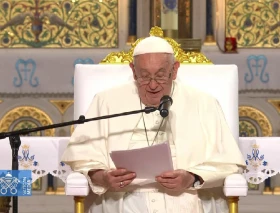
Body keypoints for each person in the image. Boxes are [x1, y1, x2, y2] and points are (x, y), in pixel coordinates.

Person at [61, 36, 246, 213]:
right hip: (121, 200)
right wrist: (103, 177)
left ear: (174, 70)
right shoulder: (106, 101)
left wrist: (191, 178)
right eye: (144, 76)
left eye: (160, 76)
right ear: (133, 71)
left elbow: (228, 161)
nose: (152, 85)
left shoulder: (203, 103)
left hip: (185, 196)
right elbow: (82, 155)